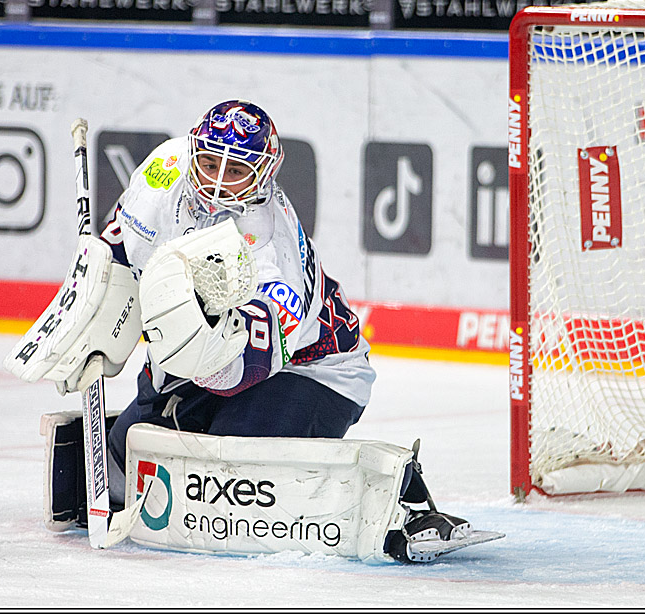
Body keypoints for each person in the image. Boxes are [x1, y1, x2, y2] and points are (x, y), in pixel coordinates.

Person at [92, 99, 478, 562]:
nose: (215, 180)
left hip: (312, 371)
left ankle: (402, 499)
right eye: (210, 162)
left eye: (235, 170)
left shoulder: (271, 249)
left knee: (234, 475)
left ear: (265, 172)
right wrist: (89, 330)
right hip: (211, 351)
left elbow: (242, 370)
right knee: (119, 466)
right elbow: (115, 258)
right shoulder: (165, 170)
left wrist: (175, 362)